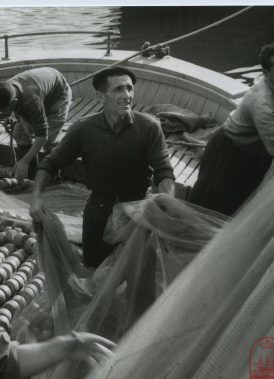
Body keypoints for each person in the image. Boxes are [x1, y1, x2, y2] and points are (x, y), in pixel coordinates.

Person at [30, 66, 175, 268]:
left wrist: (167, 200)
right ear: (101, 96)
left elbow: (163, 169)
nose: (127, 95)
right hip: (99, 211)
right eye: (118, 89)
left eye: (129, 88)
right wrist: (36, 197)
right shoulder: (83, 129)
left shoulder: (149, 127)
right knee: (92, 266)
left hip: (138, 212)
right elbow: (51, 163)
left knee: (140, 271)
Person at [188, 42, 274, 215]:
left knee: (244, 205)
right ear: (266, 74)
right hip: (228, 152)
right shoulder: (262, 103)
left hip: (257, 151)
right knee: (210, 208)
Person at [0, 67, 72, 181]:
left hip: (58, 96)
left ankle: (54, 176)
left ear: (14, 102)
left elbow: (42, 135)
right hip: (40, 91)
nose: (1, 113)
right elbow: (16, 106)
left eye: (3, 110)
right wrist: (23, 121)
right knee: (19, 133)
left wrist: (24, 161)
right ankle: (31, 175)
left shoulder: (31, 100)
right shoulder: (6, 89)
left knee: (49, 142)